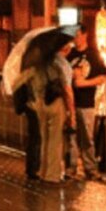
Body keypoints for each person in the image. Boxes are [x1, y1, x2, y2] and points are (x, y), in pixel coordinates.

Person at [65, 24, 106, 180]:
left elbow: (103, 77)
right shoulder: (69, 55)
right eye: (73, 36)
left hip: (87, 102)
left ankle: (90, 168)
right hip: (70, 102)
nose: (75, 38)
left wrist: (84, 83)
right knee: (71, 136)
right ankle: (71, 168)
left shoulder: (93, 55)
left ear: (85, 35)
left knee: (87, 137)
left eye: (77, 35)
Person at [28, 46, 75, 183]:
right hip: (55, 103)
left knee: (44, 139)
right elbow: (67, 90)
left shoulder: (36, 66)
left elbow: (32, 86)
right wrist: (71, 112)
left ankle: (42, 172)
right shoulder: (59, 65)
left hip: (40, 104)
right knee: (55, 140)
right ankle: (52, 175)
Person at [13, 79, 40, 180]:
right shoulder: (35, 73)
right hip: (35, 107)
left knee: (34, 138)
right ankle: (34, 168)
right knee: (36, 139)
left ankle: (32, 168)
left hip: (31, 107)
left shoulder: (26, 73)